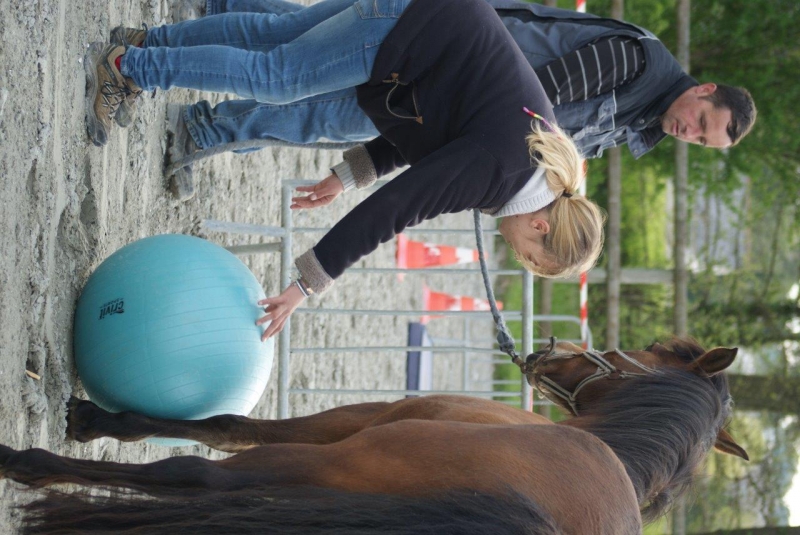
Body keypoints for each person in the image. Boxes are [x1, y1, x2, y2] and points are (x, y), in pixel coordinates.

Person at [84, 0, 606, 339]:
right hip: (408, 30)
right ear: (540, 224)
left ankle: (149, 43)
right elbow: (399, 207)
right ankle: (129, 68)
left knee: (274, 36)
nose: (514, 249)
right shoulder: (504, 171)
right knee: (277, 76)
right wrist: (308, 282)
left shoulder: (538, 157)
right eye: (528, 252)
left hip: (423, 16)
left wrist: (347, 174)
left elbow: (431, 142)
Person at [130, 0, 756, 200]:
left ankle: (163, 49)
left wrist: (360, 170)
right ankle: (190, 111)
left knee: (285, 45)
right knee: (300, 94)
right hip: (436, 67)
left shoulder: (637, 120)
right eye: (702, 120)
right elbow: (539, 102)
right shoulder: (638, 61)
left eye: (702, 140)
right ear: (702, 90)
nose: (690, 133)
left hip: (439, 77)